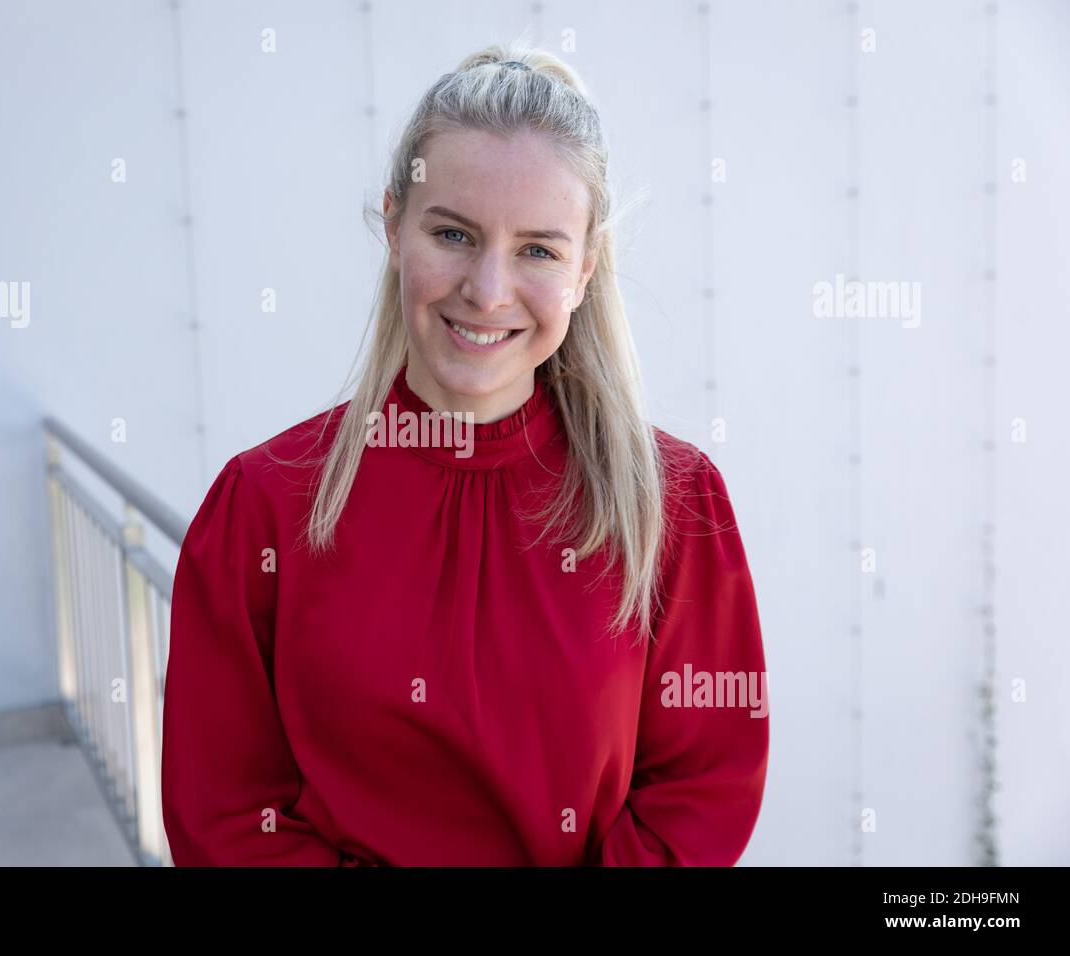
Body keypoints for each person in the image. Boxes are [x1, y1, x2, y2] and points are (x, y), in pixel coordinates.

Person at [160, 42, 768, 866]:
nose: (487, 291)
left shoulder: (673, 502)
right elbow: (224, 812)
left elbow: (701, 788)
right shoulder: (262, 505)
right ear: (393, 226)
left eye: (538, 251)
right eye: (453, 233)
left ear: (585, 268)